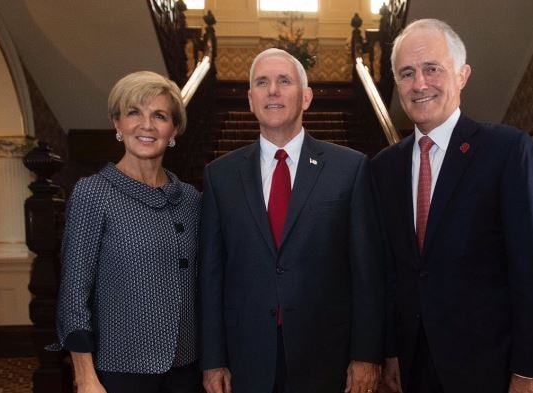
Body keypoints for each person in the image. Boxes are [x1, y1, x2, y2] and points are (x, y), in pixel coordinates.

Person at [371, 19, 533, 393]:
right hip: (412, 364)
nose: (419, 84)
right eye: (406, 73)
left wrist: (529, 368)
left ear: (462, 75)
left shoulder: (506, 151)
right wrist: (390, 351)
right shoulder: (383, 167)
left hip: (490, 366)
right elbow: (388, 271)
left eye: (432, 69)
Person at [199, 48, 384, 393]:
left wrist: (366, 355)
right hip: (246, 357)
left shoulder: (350, 168)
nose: (273, 90)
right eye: (262, 82)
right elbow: (211, 275)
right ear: (250, 99)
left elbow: (366, 271)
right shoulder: (219, 175)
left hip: (327, 356)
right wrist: (213, 359)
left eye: (284, 81)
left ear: (306, 97)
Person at [55, 71, 202, 393]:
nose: (146, 125)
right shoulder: (94, 193)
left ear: (173, 129)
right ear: (118, 124)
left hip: (187, 369)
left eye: (159, 116)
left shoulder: (191, 199)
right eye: (134, 112)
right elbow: (74, 291)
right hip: (119, 370)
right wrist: (85, 376)